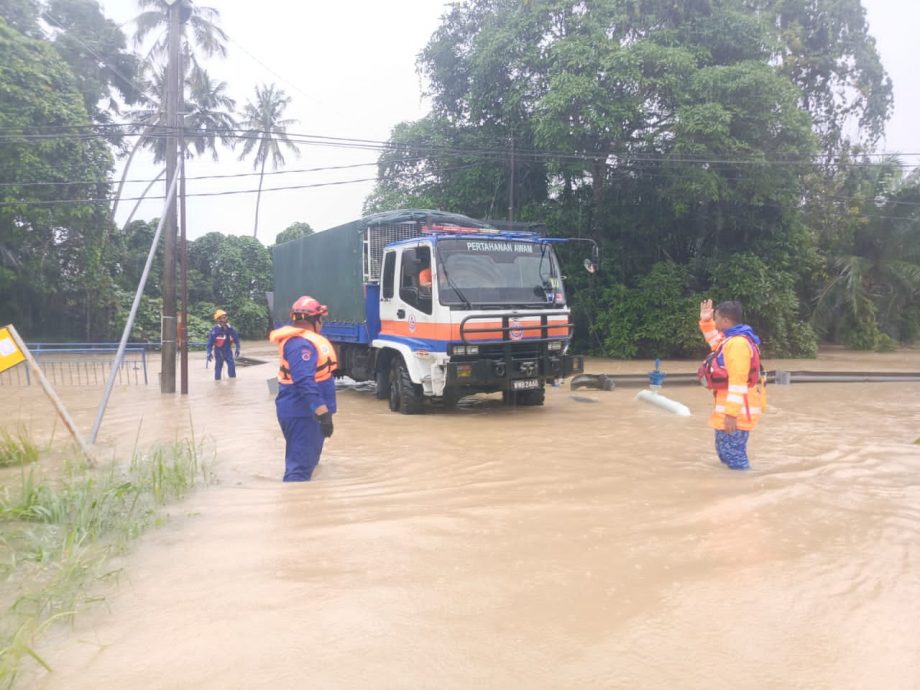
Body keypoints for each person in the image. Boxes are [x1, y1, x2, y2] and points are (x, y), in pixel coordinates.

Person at [268, 295, 338, 481]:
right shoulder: (300, 345)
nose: (322, 323)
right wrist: (322, 412)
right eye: (321, 318)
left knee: (310, 465)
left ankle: (312, 506)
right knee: (298, 472)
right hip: (303, 414)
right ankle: (296, 504)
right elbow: (304, 381)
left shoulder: (305, 341)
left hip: (308, 413)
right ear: (315, 320)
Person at [698, 299, 766, 470]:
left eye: (717, 318)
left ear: (726, 321)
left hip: (736, 414)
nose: (716, 321)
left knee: (735, 458)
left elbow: (738, 381)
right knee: (724, 454)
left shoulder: (738, 344)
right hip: (729, 412)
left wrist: (731, 414)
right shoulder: (729, 340)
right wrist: (706, 321)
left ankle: (744, 489)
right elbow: (714, 341)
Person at [206, 309, 241, 381]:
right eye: (223, 317)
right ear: (219, 319)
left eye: (225, 317)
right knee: (218, 368)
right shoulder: (215, 330)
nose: (226, 318)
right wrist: (209, 352)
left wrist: (238, 348)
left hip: (228, 350)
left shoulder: (230, 328)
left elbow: (236, 338)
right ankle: (217, 383)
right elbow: (210, 343)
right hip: (218, 351)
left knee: (231, 367)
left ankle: (232, 383)